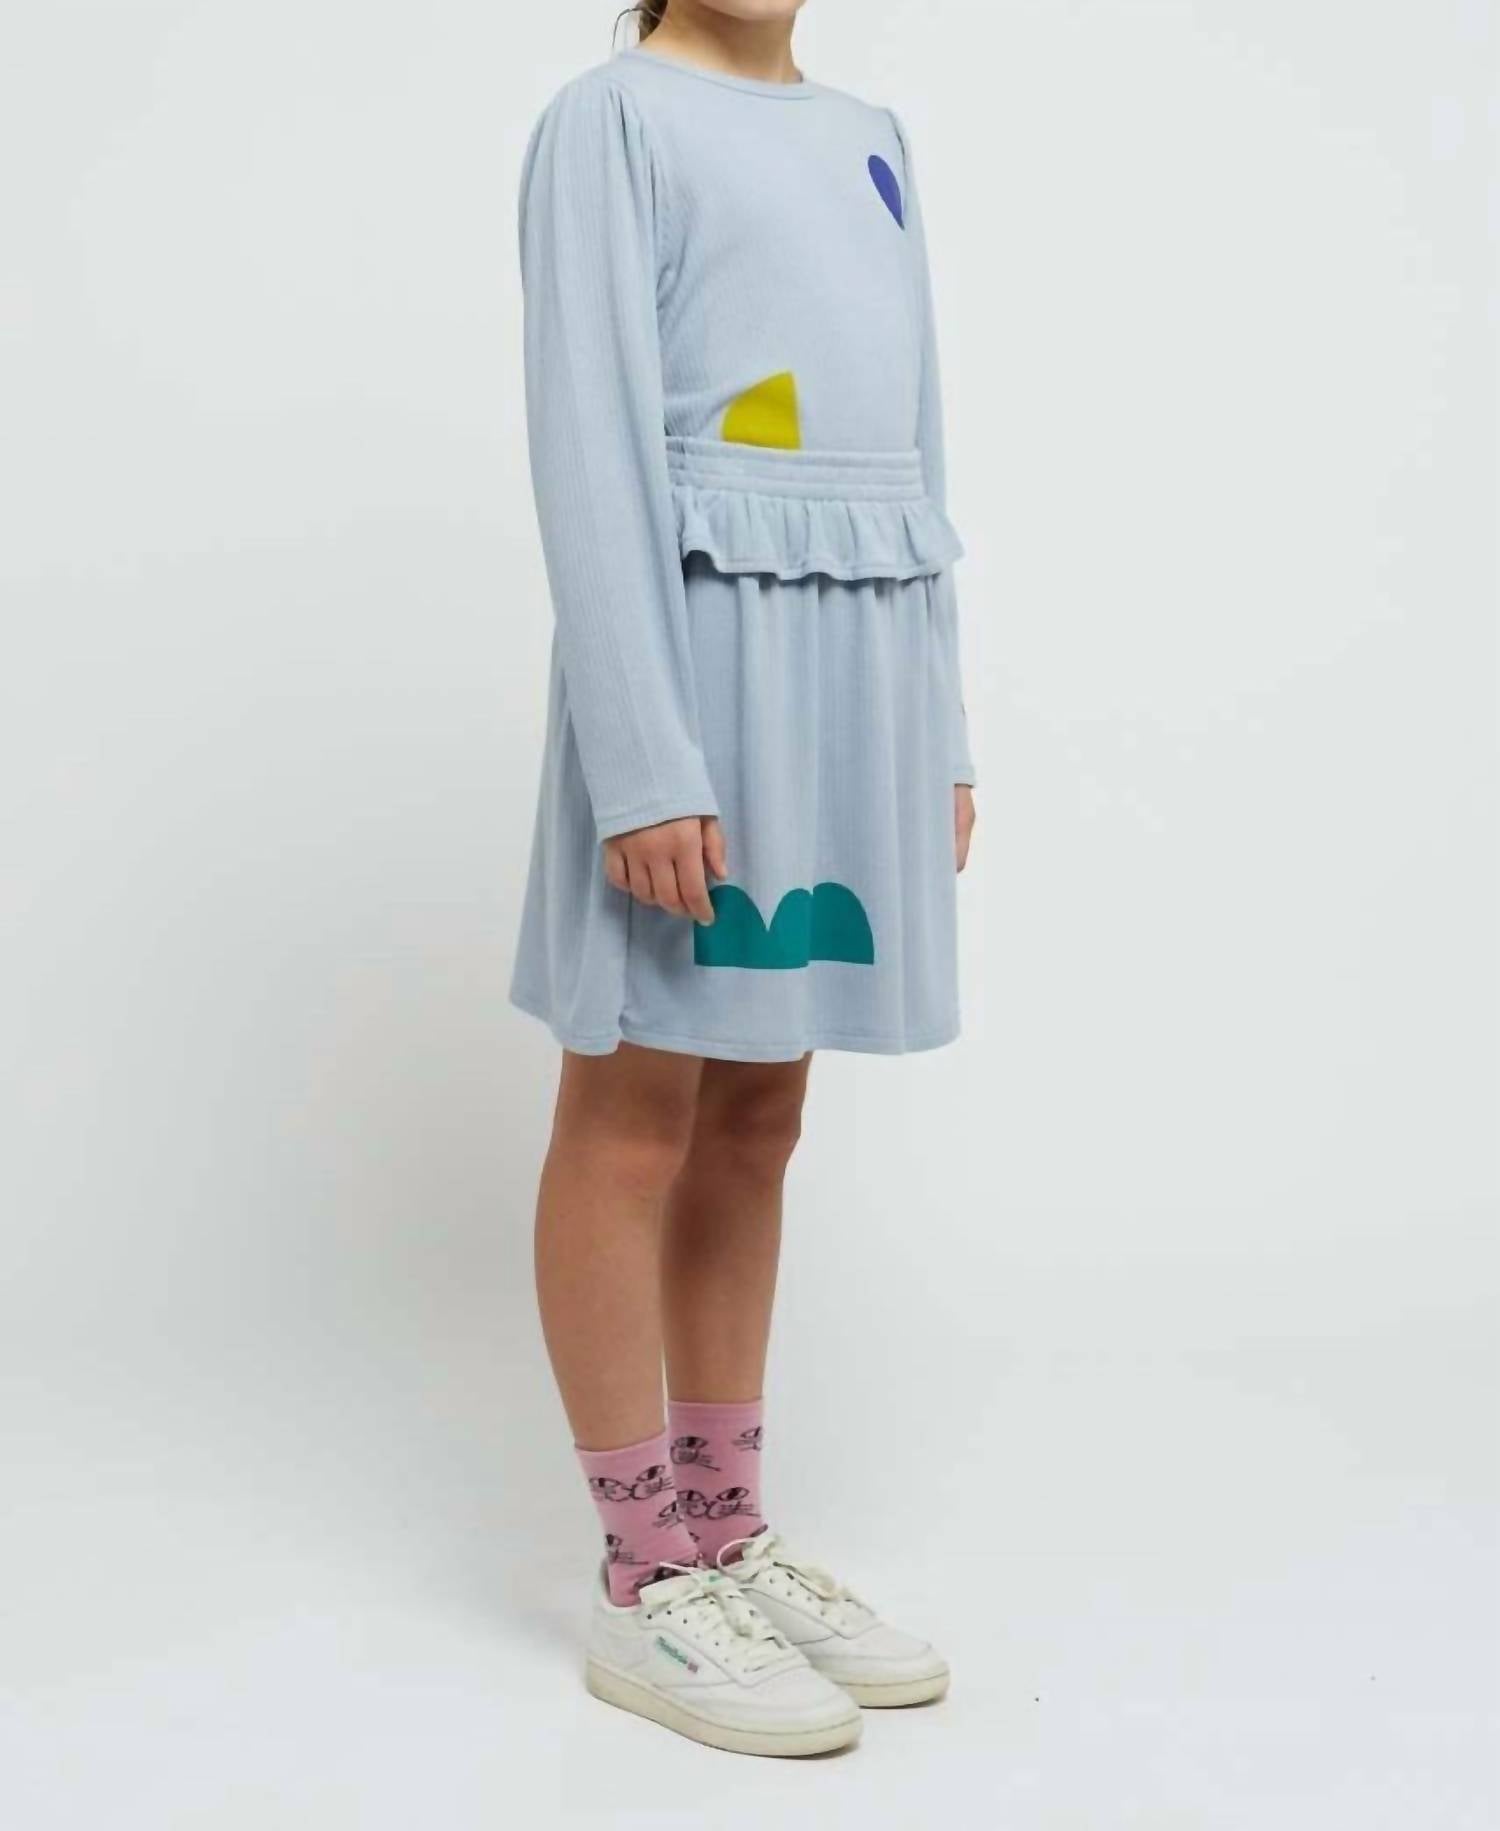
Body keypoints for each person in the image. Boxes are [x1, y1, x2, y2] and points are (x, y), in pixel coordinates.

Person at [511, 0, 976, 1756]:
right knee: (638, 1102)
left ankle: (725, 1525)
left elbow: (918, 446)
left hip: (858, 666)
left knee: (765, 1109)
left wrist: (940, 726)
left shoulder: (873, 136)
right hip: (701, 667)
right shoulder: (611, 121)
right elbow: (586, 436)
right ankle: (645, 1577)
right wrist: (644, 757)